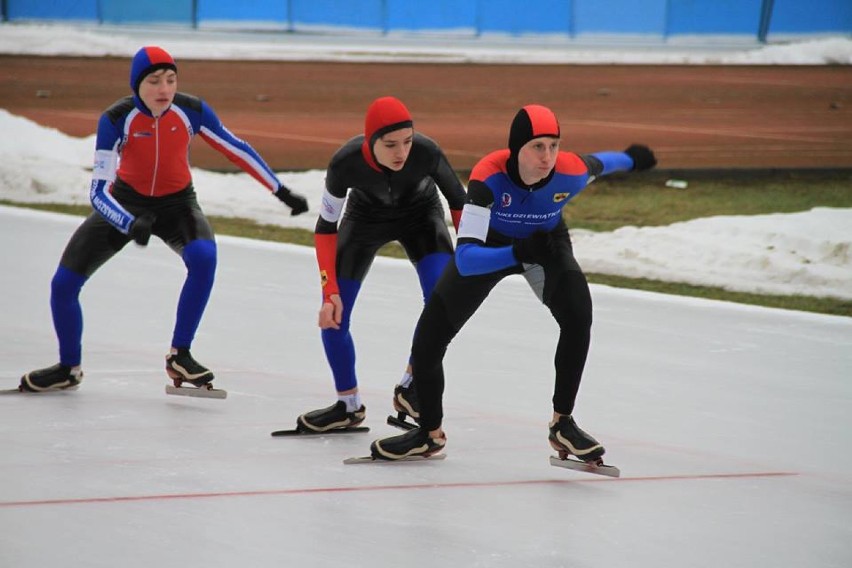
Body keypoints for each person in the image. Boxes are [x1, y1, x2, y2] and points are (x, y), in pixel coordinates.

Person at [369, 104, 657, 460]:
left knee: (579, 316)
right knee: (428, 341)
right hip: (492, 249)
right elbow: (466, 258)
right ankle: (429, 433)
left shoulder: (570, 171)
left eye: (554, 145)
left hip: (546, 246)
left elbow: (602, 163)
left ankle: (562, 424)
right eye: (537, 146)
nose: (547, 156)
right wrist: (517, 253)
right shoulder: (488, 178)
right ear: (516, 149)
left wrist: (631, 158)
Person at [19, 46, 308, 392]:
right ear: (136, 86)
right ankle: (69, 367)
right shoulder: (116, 119)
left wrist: (280, 190)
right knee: (62, 286)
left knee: (204, 258)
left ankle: (180, 355)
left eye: (171, 80)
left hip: (178, 206)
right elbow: (97, 192)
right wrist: (129, 223)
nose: (164, 89)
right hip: (125, 204)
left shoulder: (191, 111)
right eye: (154, 81)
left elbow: (236, 148)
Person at [296, 96, 466, 432]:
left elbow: (460, 205)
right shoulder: (345, 163)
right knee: (333, 316)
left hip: (422, 219)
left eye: (407, 141)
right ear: (371, 142)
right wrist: (329, 290)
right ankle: (348, 405)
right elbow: (325, 228)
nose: (401, 153)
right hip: (364, 221)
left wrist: (469, 258)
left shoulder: (427, 152)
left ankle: (410, 385)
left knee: (443, 302)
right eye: (390, 145)